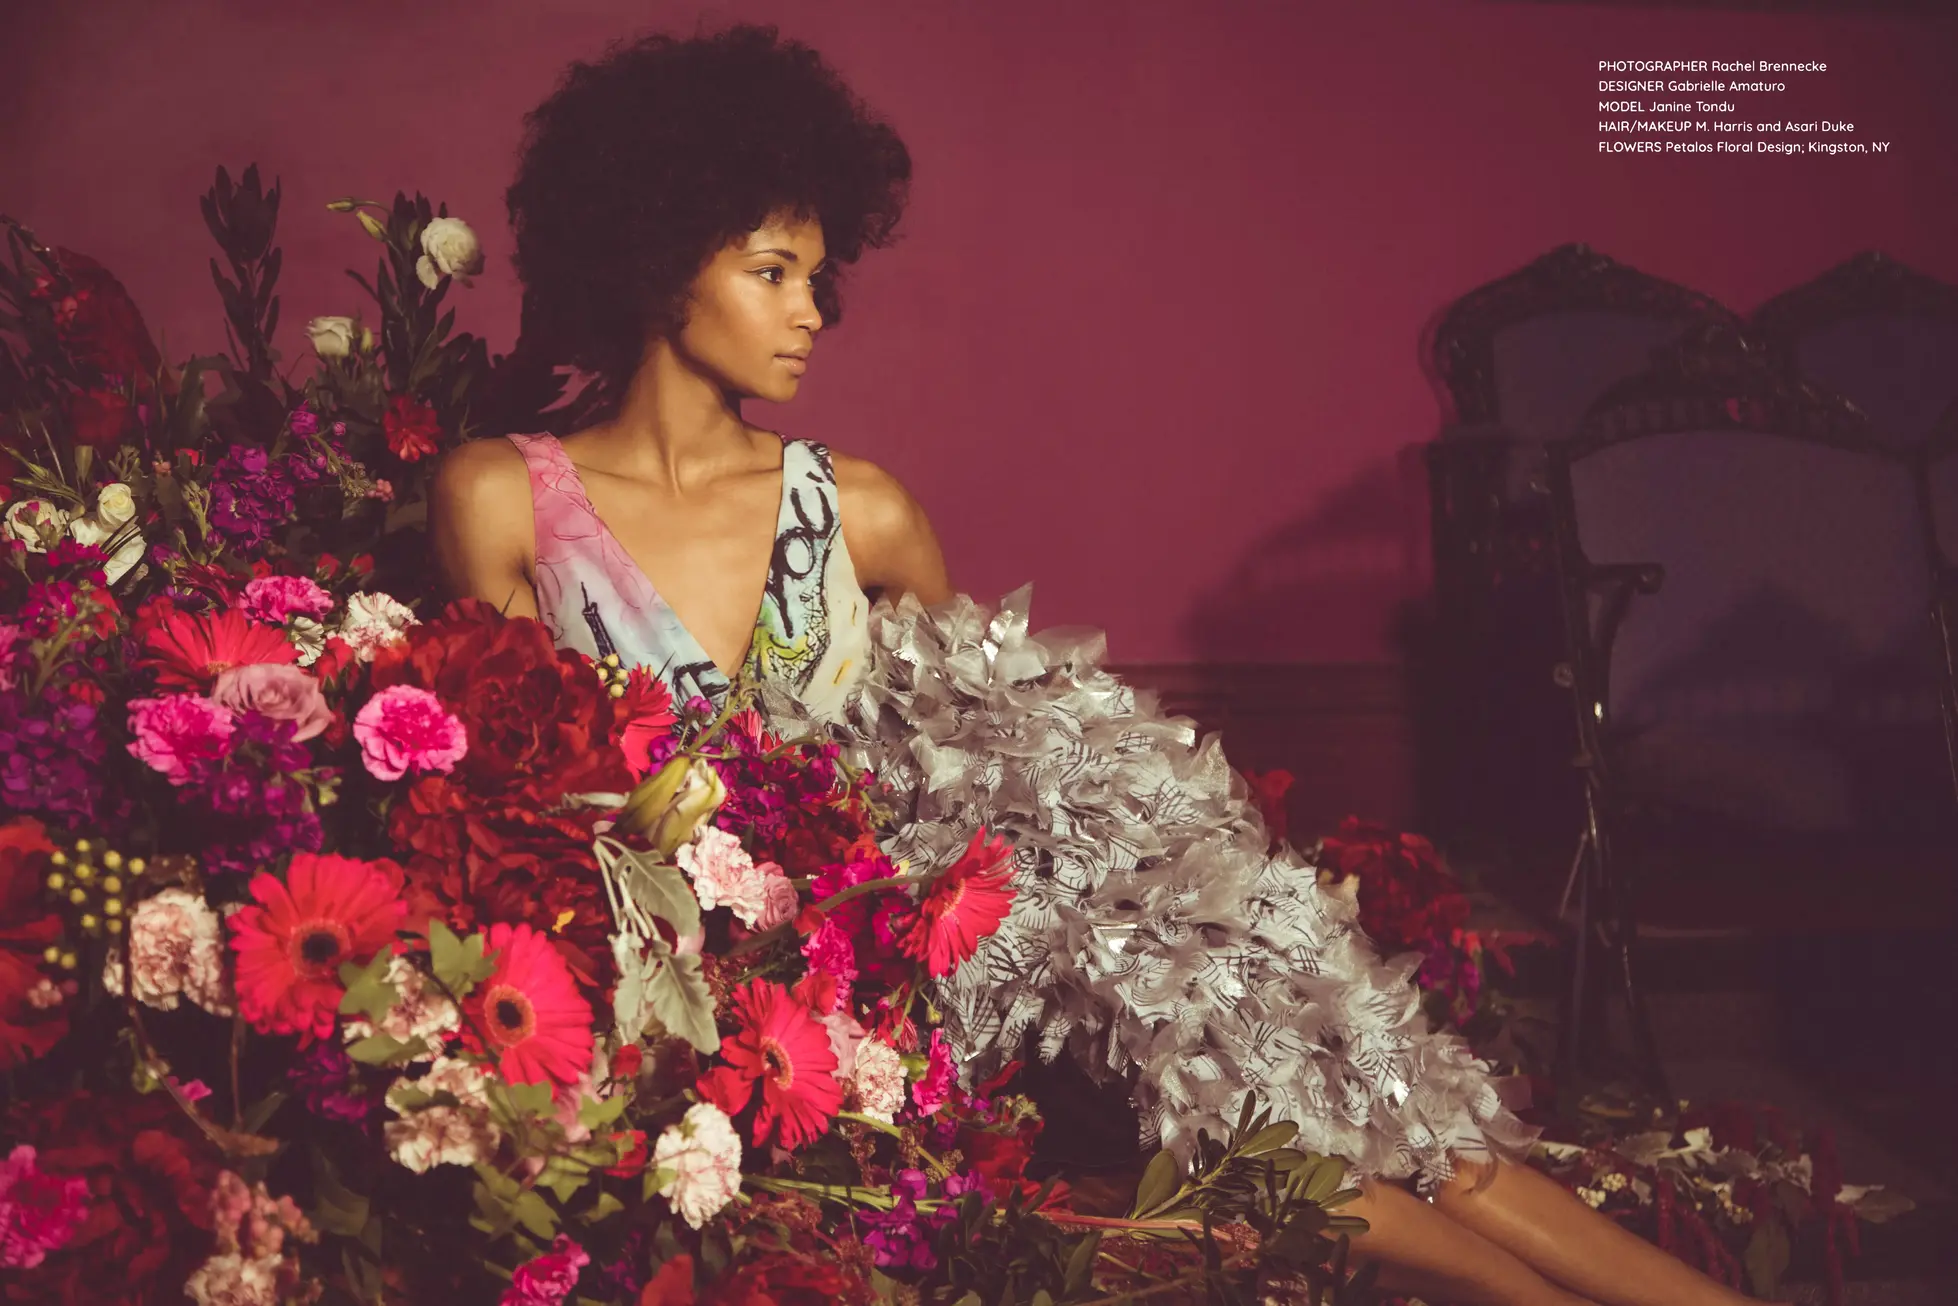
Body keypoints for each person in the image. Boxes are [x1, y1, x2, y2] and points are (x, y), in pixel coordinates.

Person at [431, 24, 1766, 1306]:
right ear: (664, 261)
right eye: (773, 272)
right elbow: (508, 806)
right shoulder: (506, 500)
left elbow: (989, 767)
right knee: (1246, 1124)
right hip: (738, 995)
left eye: (818, 279)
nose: (811, 317)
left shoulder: (864, 510)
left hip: (941, 953)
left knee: (1333, 1087)